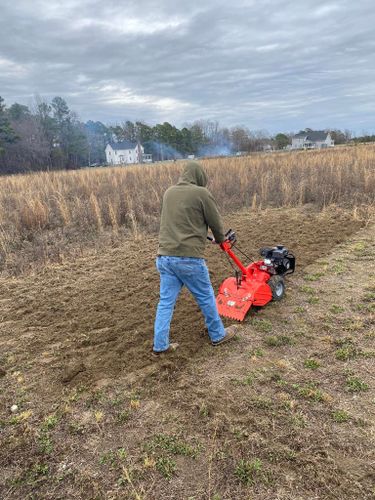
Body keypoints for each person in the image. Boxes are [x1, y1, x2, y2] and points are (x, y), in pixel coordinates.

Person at [153, 161, 239, 354]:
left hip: (164, 257)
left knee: (166, 301)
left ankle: (160, 345)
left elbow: (175, 220)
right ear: (199, 176)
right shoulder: (201, 193)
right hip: (188, 259)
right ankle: (218, 335)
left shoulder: (168, 193)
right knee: (206, 296)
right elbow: (215, 222)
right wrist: (221, 239)